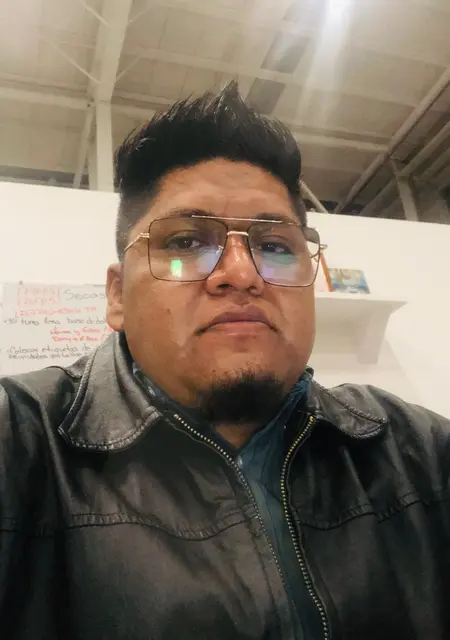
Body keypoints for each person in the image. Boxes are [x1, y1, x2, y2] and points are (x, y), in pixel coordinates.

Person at [0, 82, 449, 640]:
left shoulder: (416, 451)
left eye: (275, 246)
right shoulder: (22, 445)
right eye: (186, 242)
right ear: (117, 296)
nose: (241, 273)